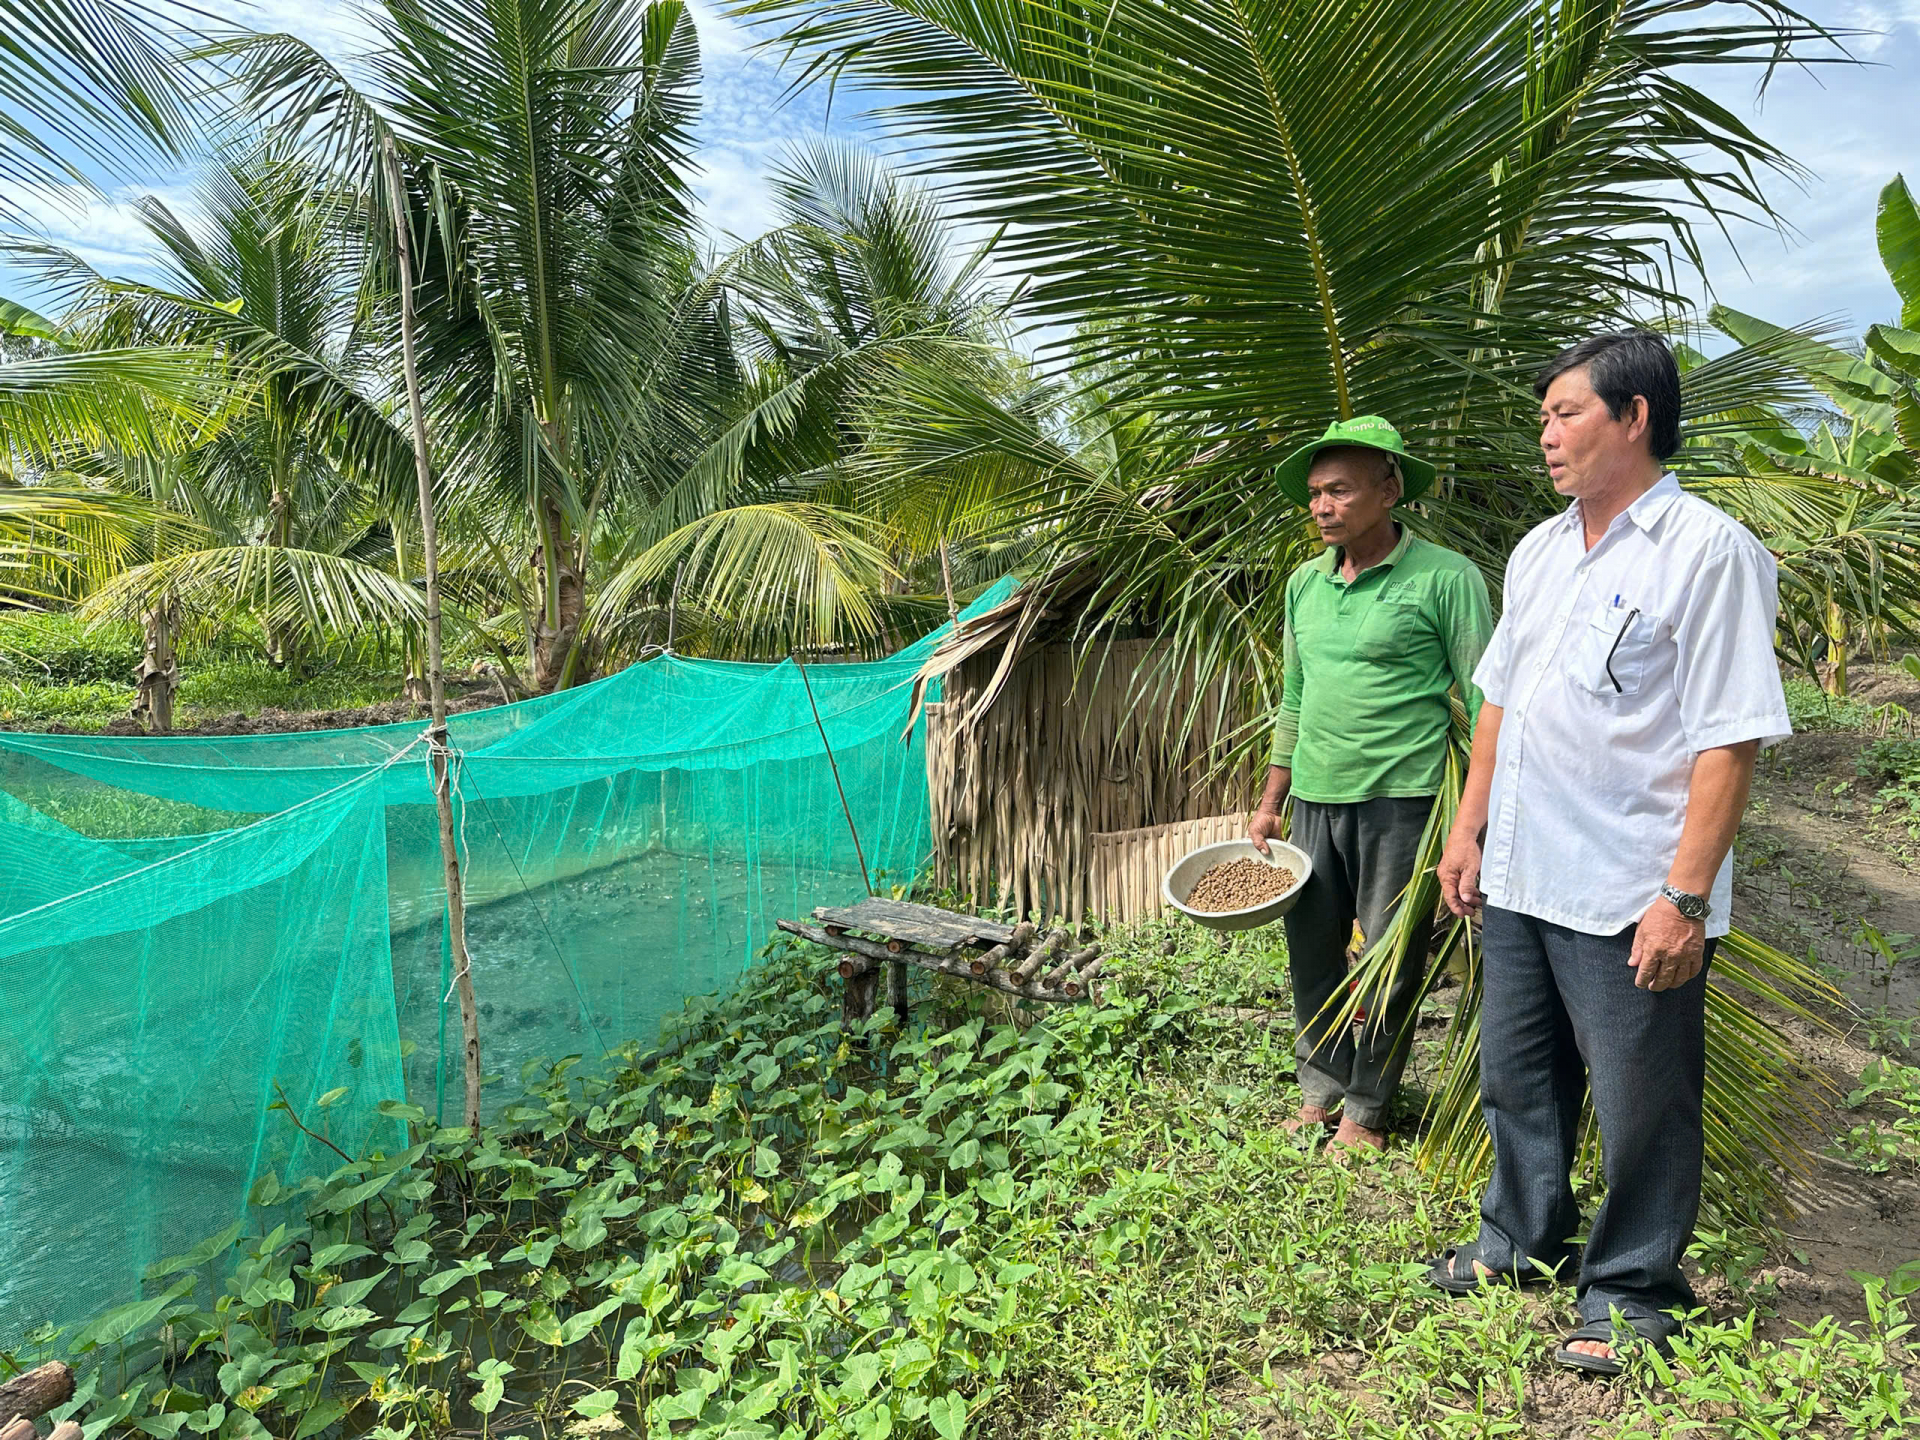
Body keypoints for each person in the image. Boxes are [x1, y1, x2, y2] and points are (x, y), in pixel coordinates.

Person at [1430, 331, 1791, 1375]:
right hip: (1525, 872)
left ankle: (1630, 1291)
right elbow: (1499, 702)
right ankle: (1519, 1240)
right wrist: (1468, 829)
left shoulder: (1706, 551)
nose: (1545, 434)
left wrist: (1684, 894)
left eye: (1565, 413)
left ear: (1634, 418)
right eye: (1545, 416)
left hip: (1632, 885)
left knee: (1644, 1103)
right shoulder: (1540, 550)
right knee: (1518, 1078)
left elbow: (1729, 737)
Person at [1249, 416, 1493, 1152]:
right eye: (1316, 494)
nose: (1323, 506)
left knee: (1391, 958)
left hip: (1404, 802)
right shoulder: (1304, 585)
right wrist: (1270, 802)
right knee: (1313, 954)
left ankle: (1367, 1109)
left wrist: (1471, 824)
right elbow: (1295, 698)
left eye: (1340, 491)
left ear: (1390, 490)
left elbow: (1488, 705)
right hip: (1315, 803)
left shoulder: (1447, 578)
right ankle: (1320, 1091)